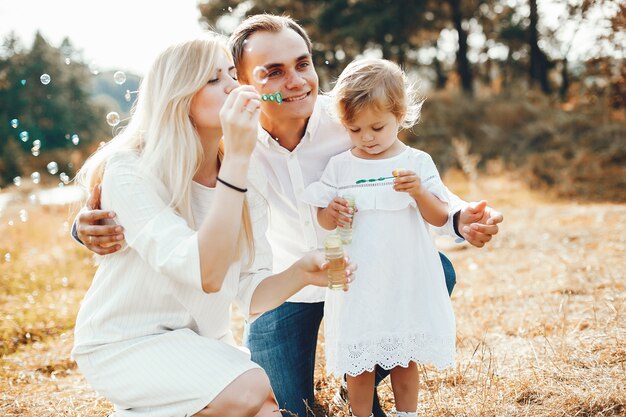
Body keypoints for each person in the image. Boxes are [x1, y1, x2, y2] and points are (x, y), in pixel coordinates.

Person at [74, 14, 503, 417]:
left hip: (359, 276)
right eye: (273, 72)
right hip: (283, 292)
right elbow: (151, 191)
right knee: (283, 404)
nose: (296, 82)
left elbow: (413, 172)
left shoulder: (350, 119)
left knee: (436, 270)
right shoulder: (232, 146)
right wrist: (83, 228)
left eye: (303, 64)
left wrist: (462, 216)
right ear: (242, 84)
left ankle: (360, 371)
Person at [70, 34, 355, 417]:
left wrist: (302, 271)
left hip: (200, 341)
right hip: (125, 342)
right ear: (179, 96)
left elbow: (250, 292)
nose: (233, 87)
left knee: (268, 410)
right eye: (213, 79)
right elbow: (203, 272)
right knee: (253, 387)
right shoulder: (131, 169)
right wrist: (237, 157)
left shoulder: (250, 163)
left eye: (231, 76)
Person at [302, 58, 456, 417]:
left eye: (376, 127)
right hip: (357, 281)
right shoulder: (341, 166)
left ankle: (408, 414)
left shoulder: (417, 162)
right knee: (358, 360)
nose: (366, 138)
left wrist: (418, 193)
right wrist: (332, 212)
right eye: (355, 130)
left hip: (402, 276)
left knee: (403, 356)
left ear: (400, 115)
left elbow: (439, 216)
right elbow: (324, 222)